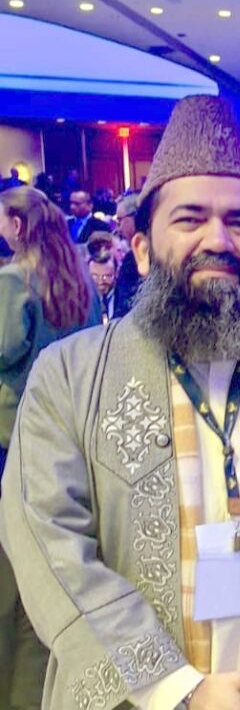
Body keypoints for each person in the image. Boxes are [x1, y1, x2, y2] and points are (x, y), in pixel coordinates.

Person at [0, 95, 240, 710]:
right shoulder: (69, 376)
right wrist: (179, 690)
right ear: (140, 249)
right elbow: (47, 537)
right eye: (190, 219)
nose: (218, 240)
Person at [0, 185, 102, 710]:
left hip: (10, 439)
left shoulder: (13, 281)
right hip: (74, 437)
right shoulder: (83, 281)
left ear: (18, 226)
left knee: (11, 582)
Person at [113, 192, 143, 317]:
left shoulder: (133, 260)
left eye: (120, 221)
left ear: (135, 216)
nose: (118, 229)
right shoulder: (131, 257)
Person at [88, 250, 118, 323]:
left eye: (107, 276)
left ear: (116, 274)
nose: (101, 281)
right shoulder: (80, 302)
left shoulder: (125, 299)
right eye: (95, 276)